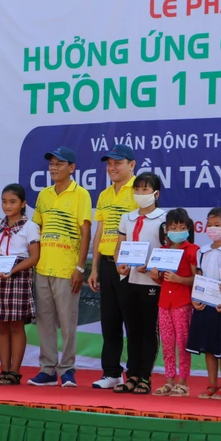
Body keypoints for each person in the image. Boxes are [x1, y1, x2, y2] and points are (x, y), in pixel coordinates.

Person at [29, 146, 92, 388]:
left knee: (67, 322)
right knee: (44, 321)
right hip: (43, 267)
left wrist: (80, 268)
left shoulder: (81, 194)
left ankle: (67, 369)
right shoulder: (44, 195)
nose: (53, 168)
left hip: (67, 269)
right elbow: (36, 230)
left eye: (59, 164)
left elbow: (86, 232)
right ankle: (47, 369)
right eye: (51, 163)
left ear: (72, 168)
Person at [110, 172, 166, 395]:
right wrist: (119, 264)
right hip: (128, 279)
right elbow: (119, 246)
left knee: (149, 330)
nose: (140, 193)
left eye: (145, 189)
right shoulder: (127, 217)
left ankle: (145, 377)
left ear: (156, 193)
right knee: (132, 329)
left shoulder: (164, 219)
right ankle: (131, 375)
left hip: (151, 281)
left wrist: (154, 267)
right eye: (137, 189)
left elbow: (168, 251)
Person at [88, 144, 137, 390]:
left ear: (132, 165)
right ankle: (111, 372)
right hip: (107, 265)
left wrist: (131, 261)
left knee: (133, 321)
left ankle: (136, 374)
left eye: (117, 163)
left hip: (129, 265)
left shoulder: (140, 190)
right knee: (109, 321)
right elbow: (99, 232)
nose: (112, 168)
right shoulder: (105, 194)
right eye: (109, 164)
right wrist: (94, 268)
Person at [0, 184, 40, 386]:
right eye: (4, 201)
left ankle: (15, 372)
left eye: (13, 202)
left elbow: (34, 257)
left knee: (16, 325)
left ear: (23, 204)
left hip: (18, 276)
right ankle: (4, 370)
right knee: (1, 326)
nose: (8, 206)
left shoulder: (30, 226)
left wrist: (12, 270)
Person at [188, 207, 221, 400]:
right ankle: (211, 384)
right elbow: (198, 276)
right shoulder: (203, 251)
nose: (212, 228)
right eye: (210, 225)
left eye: (217, 225)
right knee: (208, 346)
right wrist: (195, 298)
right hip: (205, 303)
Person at [150, 208, 199, 397]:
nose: (178, 231)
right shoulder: (162, 251)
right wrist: (155, 277)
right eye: (173, 227)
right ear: (167, 230)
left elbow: (197, 279)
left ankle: (183, 382)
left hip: (183, 303)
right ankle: (169, 381)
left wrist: (179, 279)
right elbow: (162, 280)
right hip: (164, 303)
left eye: (182, 227)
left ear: (188, 229)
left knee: (183, 343)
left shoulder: (192, 250)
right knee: (168, 343)